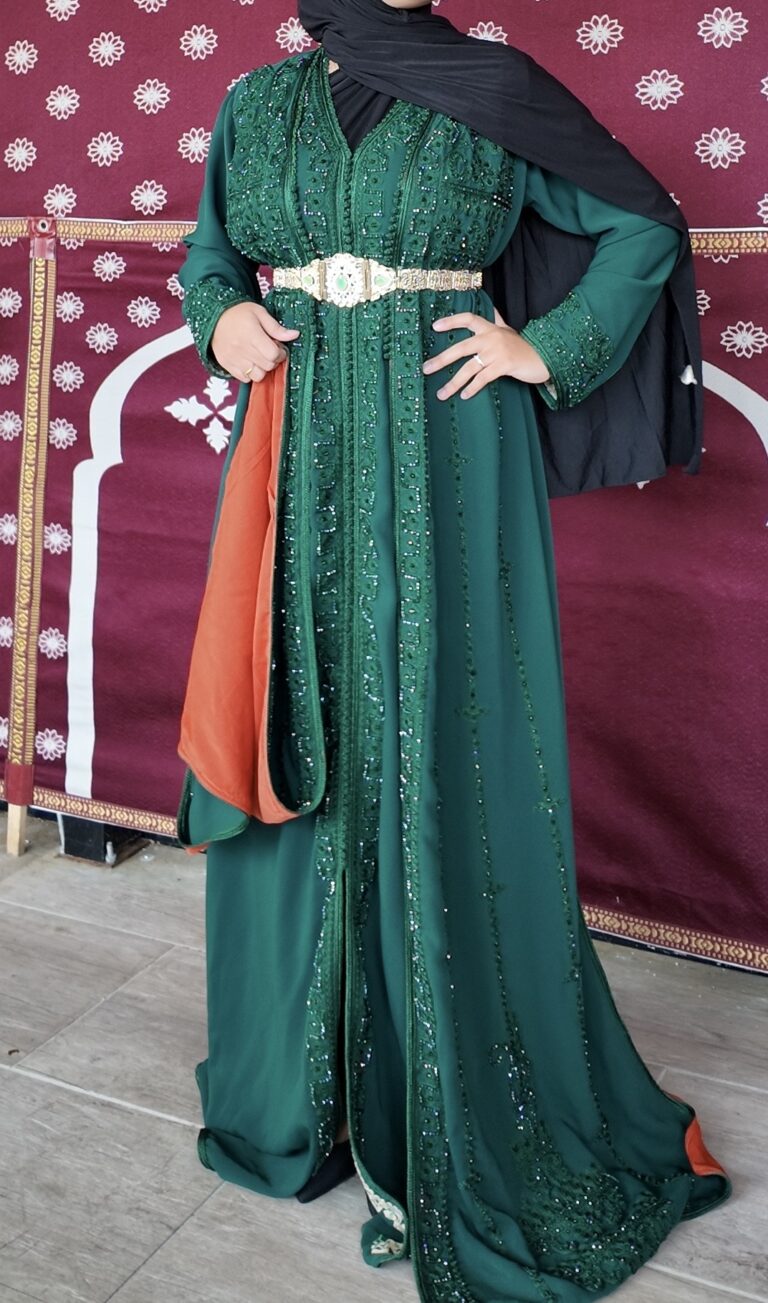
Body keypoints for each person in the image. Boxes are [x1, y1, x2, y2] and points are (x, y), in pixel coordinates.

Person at [174, 1, 732, 1298]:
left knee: (441, 727)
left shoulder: (494, 89)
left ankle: (445, 1099)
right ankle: (293, 1093)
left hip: (449, 443)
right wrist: (220, 319)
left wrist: (551, 347)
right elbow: (211, 256)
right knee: (293, 714)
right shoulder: (257, 102)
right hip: (293, 445)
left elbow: (642, 222)